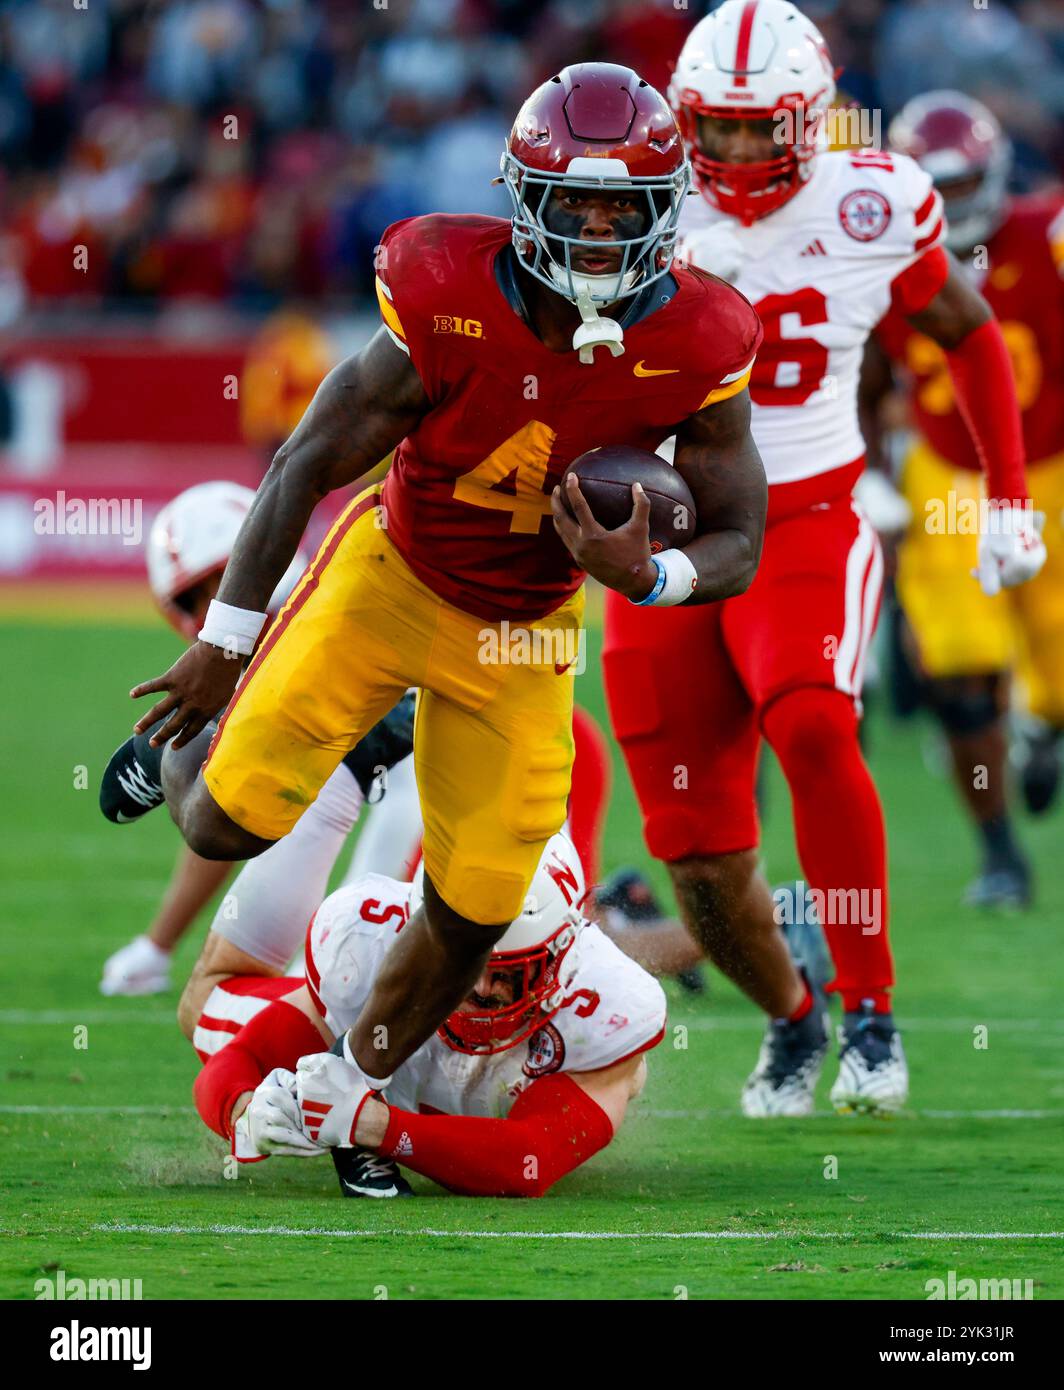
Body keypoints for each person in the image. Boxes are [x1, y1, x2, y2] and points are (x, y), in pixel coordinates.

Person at [101, 63, 767, 1109]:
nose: (595, 230)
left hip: (530, 624)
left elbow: (740, 534)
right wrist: (223, 644)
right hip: (394, 575)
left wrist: (649, 574)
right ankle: (185, 745)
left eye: (620, 208)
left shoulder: (700, 335)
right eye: (572, 203)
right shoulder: (442, 284)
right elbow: (302, 463)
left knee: (475, 904)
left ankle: (348, 1087)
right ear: (523, 200)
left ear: (663, 210)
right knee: (220, 825)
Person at [602, 1, 1045, 1118]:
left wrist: (999, 493)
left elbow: (964, 332)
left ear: (811, 118)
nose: (741, 153)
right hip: (661, 536)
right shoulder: (638, 197)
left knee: (809, 717)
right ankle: (791, 1019)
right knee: (694, 849)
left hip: (807, 515)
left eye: (763, 130)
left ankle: (873, 1014)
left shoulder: (871, 197)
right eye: (722, 129)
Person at [194, 834, 666, 1199]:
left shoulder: (607, 1004)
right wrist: (245, 1115)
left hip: (424, 1097)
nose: (482, 989)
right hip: (377, 1040)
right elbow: (245, 1057)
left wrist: (370, 1127)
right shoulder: (367, 939)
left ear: (562, 954)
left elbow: (528, 1160)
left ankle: (348, 1096)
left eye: (510, 973)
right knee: (202, 1004)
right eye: (468, 962)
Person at [868, 91, 1064, 907]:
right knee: (961, 677)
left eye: (961, 185)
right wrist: (869, 470)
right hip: (948, 477)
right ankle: (999, 854)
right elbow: (866, 378)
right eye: (932, 189)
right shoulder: (878, 257)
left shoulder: (1047, 239)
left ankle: (1043, 728)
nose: (948, 206)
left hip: (1053, 467)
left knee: (1052, 672)